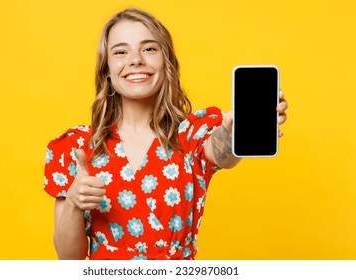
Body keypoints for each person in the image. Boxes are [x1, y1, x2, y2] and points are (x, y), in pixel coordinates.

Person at [43, 8, 288, 260]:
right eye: (120, 51)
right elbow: (68, 259)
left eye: (149, 48)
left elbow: (222, 150)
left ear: (166, 62)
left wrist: (235, 131)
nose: (136, 59)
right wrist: (73, 201)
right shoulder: (77, 147)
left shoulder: (191, 133)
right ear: (106, 69)